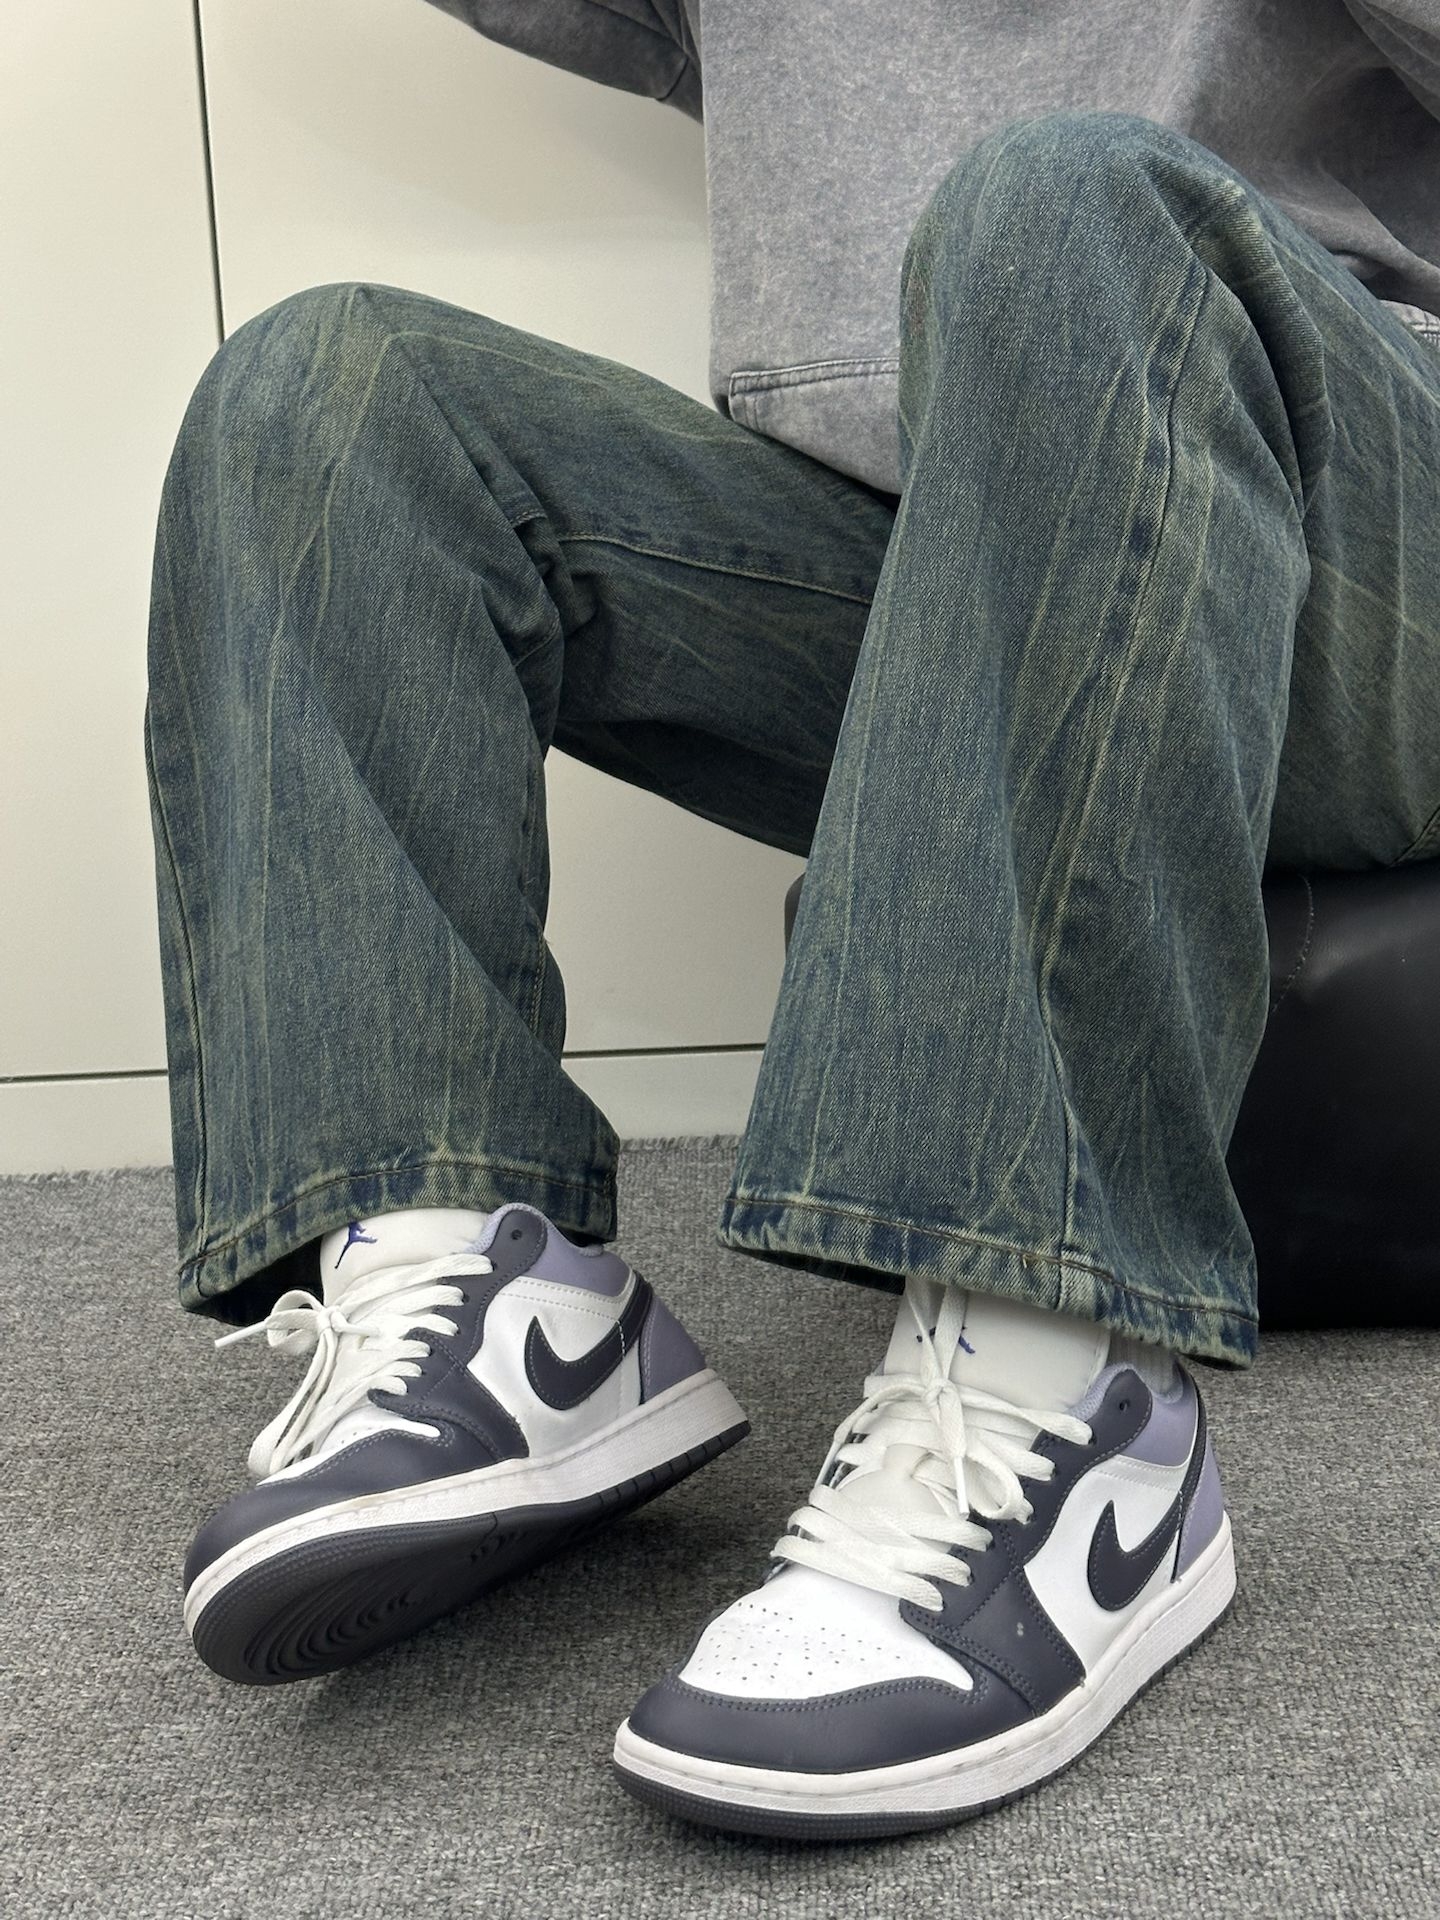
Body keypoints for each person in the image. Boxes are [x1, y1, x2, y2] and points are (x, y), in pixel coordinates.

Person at [144, 0, 1440, 1840]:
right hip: (968, 570)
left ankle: (1060, 1408)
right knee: (330, 401)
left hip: (1364, 544)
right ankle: (490, 1305)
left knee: (1065, 204)